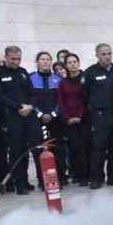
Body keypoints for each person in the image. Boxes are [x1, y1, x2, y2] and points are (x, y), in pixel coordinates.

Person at [0, 46, 36, 194]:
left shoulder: (22, 72)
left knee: (26, 150)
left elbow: (32, 92)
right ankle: (18, 183)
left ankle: (25, 179)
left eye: (19, 59)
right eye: (13, 59)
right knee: (16, 150)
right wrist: (17, 107)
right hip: (11, 117)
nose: (16, 62)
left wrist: (30, 106)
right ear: (6, 57)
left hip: (27, 115)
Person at [82, 44, 113, 188]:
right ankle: (96, 178)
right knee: (98, 148)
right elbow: (83, 95)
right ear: (97, 55)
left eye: (109, 53)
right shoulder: (90, 73)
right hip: (99, 115)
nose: (107, 56)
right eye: (103, 54)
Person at [30, 51, 64, 189]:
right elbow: (30, 99)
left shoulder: (58, 79)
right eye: (42, 59)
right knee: (39, 151)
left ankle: (59, 179)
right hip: (37, 120)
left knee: (57, 149)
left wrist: (53, 114)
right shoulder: (30, 78)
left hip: (55, 120)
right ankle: (42, 180)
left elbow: (61, 100)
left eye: (48, 59)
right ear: (37, 62)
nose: (45, 62)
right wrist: (39, 114)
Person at [57, 53, 89, 186]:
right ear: (66, 65)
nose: (73, 64)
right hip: (69, 120)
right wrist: (67, 118)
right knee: (74, 149)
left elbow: (88, 99)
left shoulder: (86, 79)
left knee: (88, 148)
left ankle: (90, 175)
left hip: (85, 118)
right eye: (69, 62)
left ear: (79, 63)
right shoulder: (63, 83)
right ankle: (79, 175)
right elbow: (60, 102)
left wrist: (80, 116)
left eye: (75, 61)